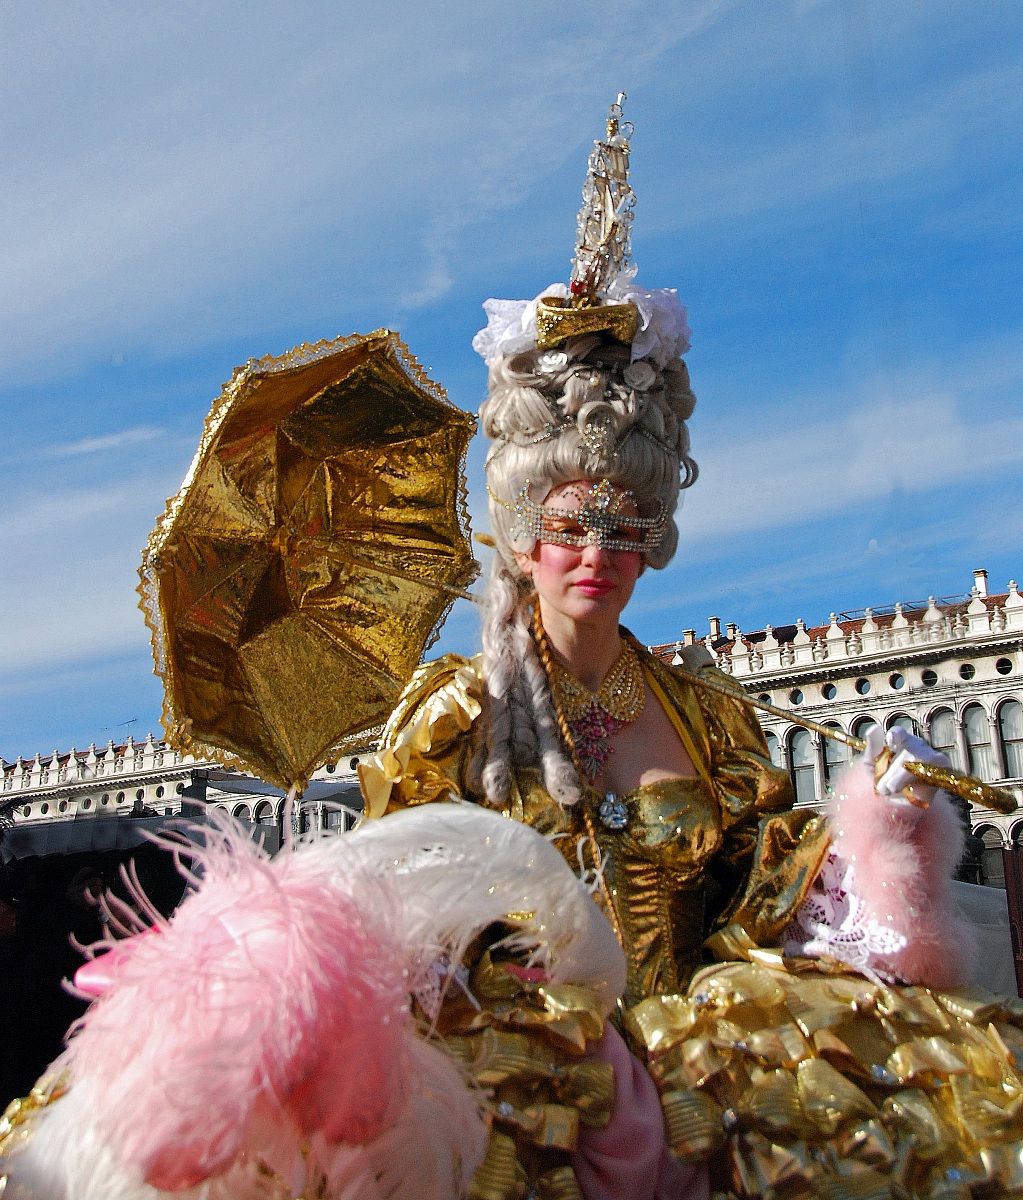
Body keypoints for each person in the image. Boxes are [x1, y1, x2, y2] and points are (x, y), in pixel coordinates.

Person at [357, 104, 1023, 1199]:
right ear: (526, 534)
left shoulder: (705, 714)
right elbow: (396, 924)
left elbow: (762, 898)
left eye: (624, 528)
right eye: (571, 526)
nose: (597, 557)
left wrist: (878, 821)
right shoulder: (456, 714)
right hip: (518, 1108)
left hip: (695, 1095)